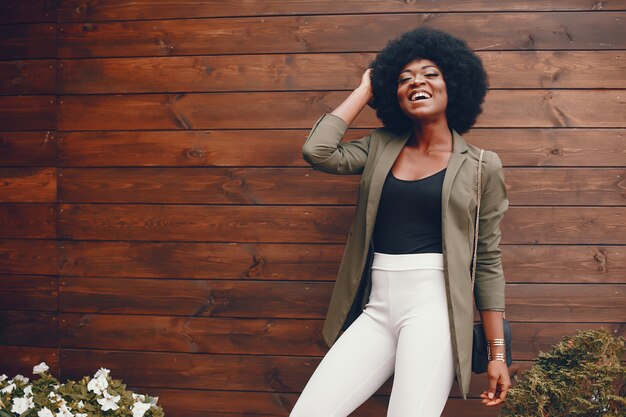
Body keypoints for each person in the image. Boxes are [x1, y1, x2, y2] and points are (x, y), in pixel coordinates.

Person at [290, 27, 511, 416]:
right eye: (404, 78)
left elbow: (488, 261)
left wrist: (497, 353)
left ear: (453, 84)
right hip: (377, 308)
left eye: (430, 73)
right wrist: (365, 89)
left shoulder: (480, 166)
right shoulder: (379, 146)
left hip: (433, 311)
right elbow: (317, 151)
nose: (416, 82)